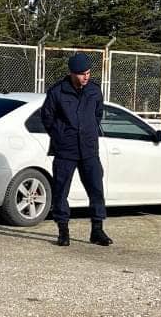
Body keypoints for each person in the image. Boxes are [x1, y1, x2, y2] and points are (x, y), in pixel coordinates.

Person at [41, 51, 110, 247]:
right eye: (82, 74)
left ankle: (97, 230)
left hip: (89, 149)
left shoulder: (95, 91)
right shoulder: (57, 92)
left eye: (88, 73)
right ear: (72, 73)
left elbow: (97, 115)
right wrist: (60, 135)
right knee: (61, 190)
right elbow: (47, 117)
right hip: (66, 149)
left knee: (96, 189)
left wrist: (89, 131)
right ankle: (63, 231)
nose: (86, 77)